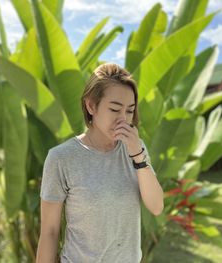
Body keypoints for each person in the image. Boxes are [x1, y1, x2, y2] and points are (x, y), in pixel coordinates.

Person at [36, 63, 164, 263]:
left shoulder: (136, 150)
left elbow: (156, 207)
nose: (123, 119)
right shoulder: (61, 158)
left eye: (129, 111)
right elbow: (50, 232)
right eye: (114, 109)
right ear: (91, 106)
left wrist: (137, 156)